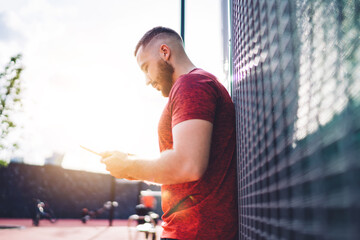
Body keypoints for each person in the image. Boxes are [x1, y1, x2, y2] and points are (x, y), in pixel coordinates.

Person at [100, 26, 238, 239]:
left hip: (195, 231)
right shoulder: (196, 84)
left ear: (165, 52)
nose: (147, 80)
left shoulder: (192, 84)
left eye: (146, 67)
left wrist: (128, 166)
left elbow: (187, 164)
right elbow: (182, 162)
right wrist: (127, 164)